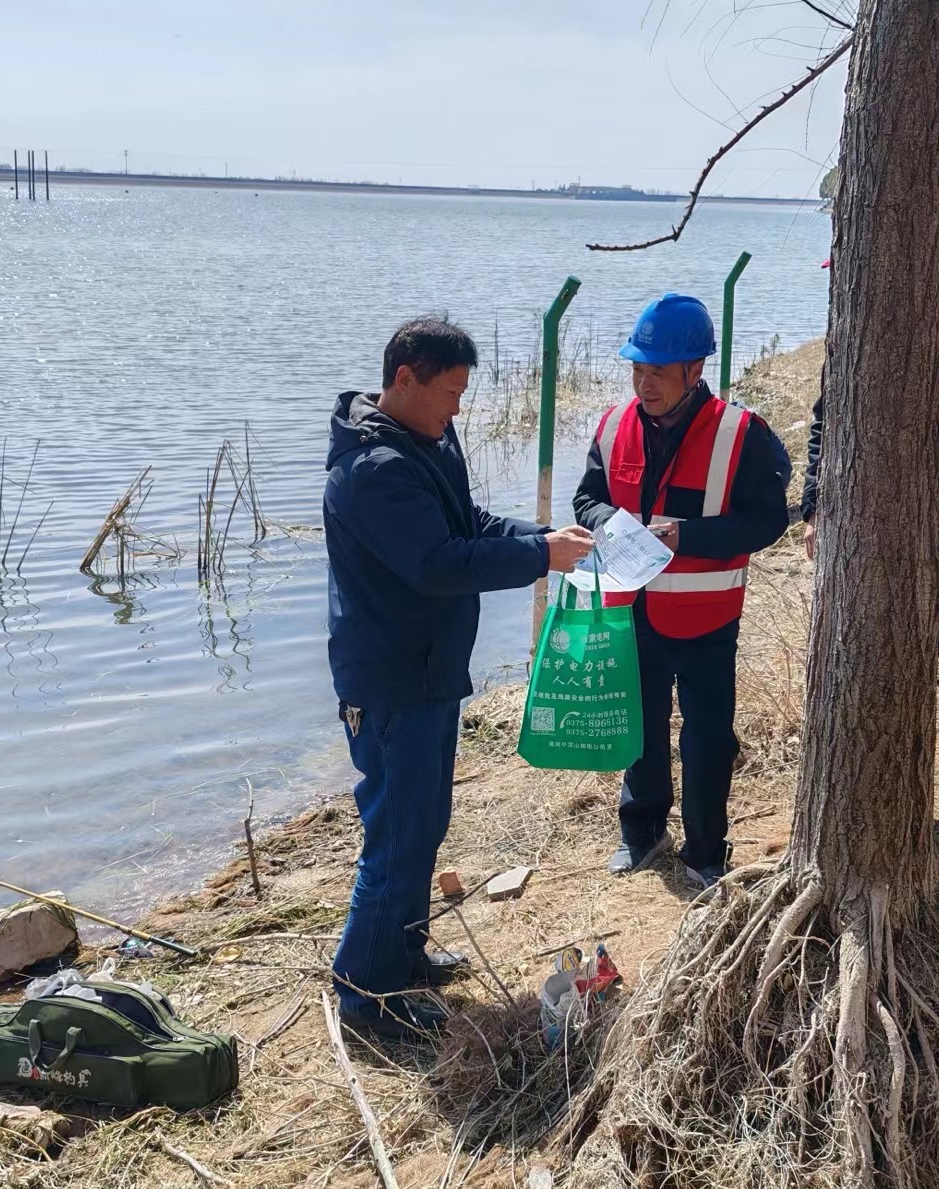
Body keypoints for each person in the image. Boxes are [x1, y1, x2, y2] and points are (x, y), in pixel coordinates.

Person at [324, 317, 594, 1038]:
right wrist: (541, 556)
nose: (457, 408)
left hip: (430, 672)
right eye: (448, 392)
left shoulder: (425, 441)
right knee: (397, 836)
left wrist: (538, 540)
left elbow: (465, 523)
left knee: (422, 825)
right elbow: (437, 565)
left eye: (464, 394)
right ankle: (364, 995)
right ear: (403, 378)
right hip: (389, 681)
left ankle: (400, 954)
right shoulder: (372, 470)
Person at [573, 294, 791, 889]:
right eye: (637, 370)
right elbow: (586, 499)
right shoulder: (614, 426)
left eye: (659, 373)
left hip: (707, 619)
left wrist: (686, 534)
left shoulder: (742, 433)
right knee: (638, 730)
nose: (645, 384)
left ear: (695, 371)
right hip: (629, 612)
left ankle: (704, 852)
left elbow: (770, 519)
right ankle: (641, 834)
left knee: (708, 740)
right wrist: (605, 525)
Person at [800, 277, 939, 642]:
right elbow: (827, 425)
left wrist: (917, 517)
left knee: (906, 666)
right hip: (856, 535)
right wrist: (815, 504)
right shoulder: (852, 328)